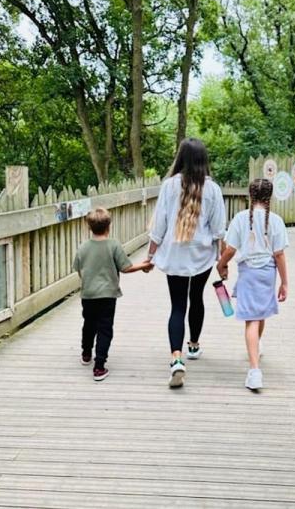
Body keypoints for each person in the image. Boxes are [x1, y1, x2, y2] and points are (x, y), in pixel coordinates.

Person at [145, 138, 227, 388]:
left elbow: (158, 227)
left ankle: (176, 359)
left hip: (175, 255)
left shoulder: (169, 186)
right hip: (202, 256)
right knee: (197, 298)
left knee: (177, 306)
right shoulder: (212, 189)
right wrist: (223, 263)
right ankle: (193, 345)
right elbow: (218, 231)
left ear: (180, 158)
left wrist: (150, 256)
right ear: (204, 160)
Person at [215, 178, 289, 391]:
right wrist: (284, 282)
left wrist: (222, 265)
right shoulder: (276, 220)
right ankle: (256, 347)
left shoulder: (240, 219)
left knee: (251, 320)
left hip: (248, 273)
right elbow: (280, 254)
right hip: (267, 273)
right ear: (270, 197)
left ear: (250, 196)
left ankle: (254, 371)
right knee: (260, 314)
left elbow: (229, 249)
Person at [73, 207, 153, 381]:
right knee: (105, 329)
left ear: (89, 227)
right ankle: (99, 366)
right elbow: (126, 268)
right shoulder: (113, 245)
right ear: (109, 226)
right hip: (108, 294)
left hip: (88, 294)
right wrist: (144, 266)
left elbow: (79, 270)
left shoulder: (83, 247)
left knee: (89, 324)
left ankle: (86, 353)